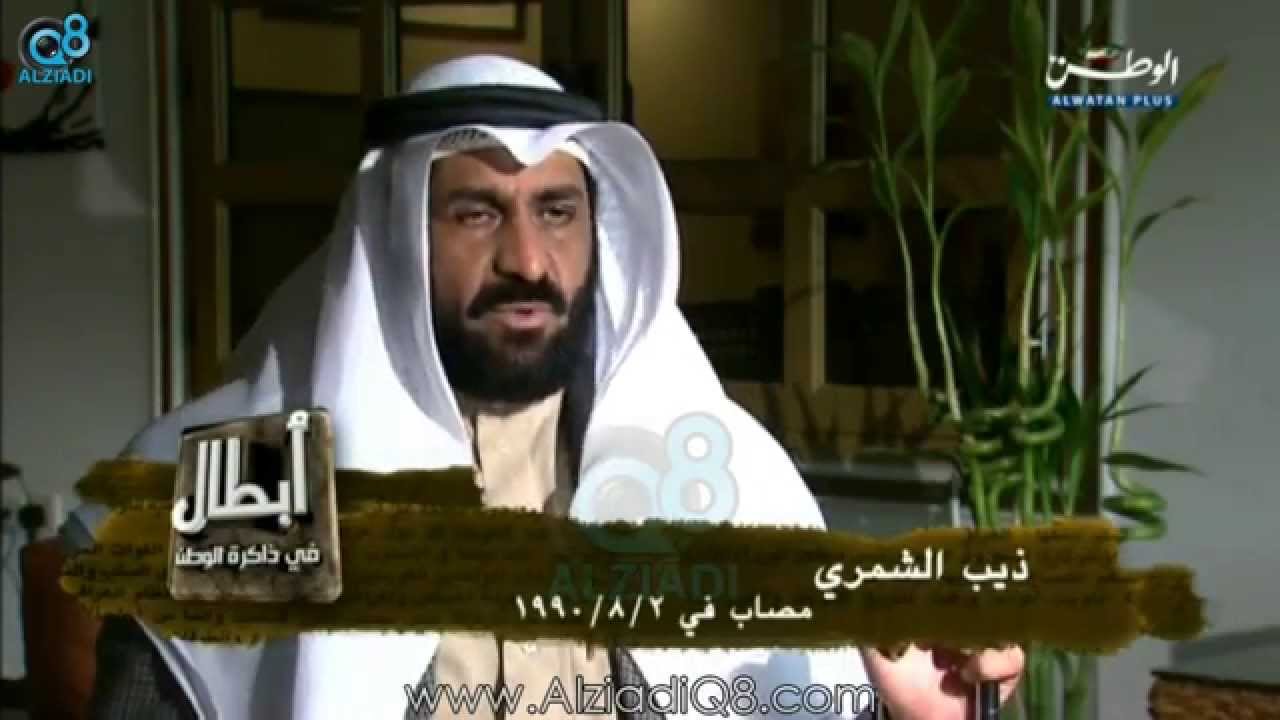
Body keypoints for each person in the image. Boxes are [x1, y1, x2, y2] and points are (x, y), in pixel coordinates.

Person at [64, 55, 1023, 719]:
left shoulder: (713, 471)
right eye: (477, 213)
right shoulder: (251, 479)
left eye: (557, 211)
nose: (528, 259)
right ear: (396, 238)